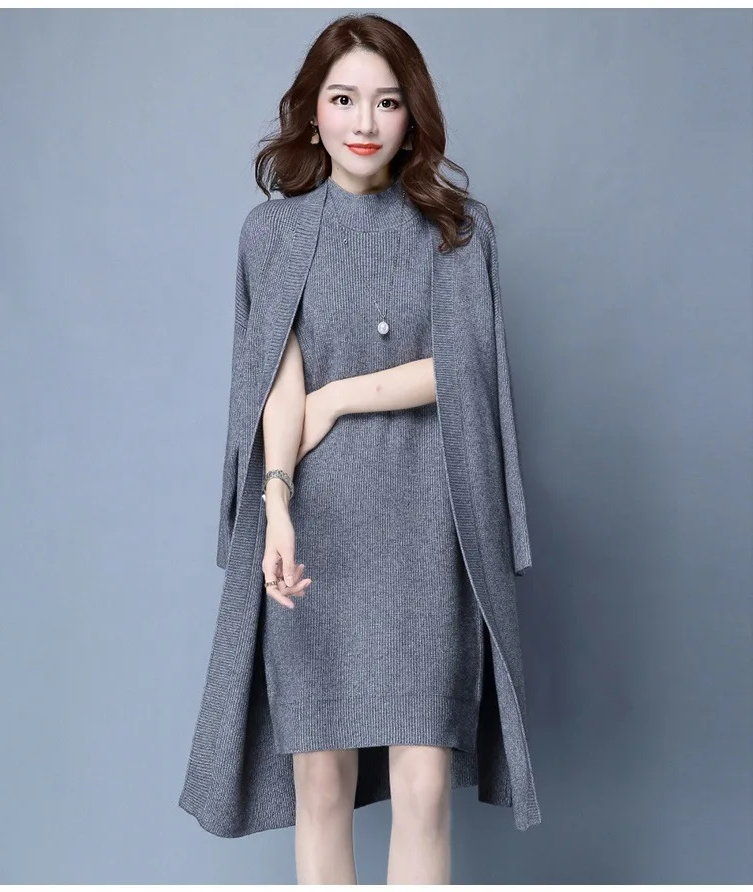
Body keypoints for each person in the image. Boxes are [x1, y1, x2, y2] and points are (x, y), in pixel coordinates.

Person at [179, 12, 540, 883]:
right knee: (319, 784)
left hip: (429, 525)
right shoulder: (273, 234)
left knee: (424, 786)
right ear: (312, 113)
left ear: (413, 117)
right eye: (343, 100)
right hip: (319, 525)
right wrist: (276, 507)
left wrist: (340, 397)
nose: (365, 122)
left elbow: (464, 368)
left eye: (386, 102)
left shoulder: (458, 228)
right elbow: (277, 387)